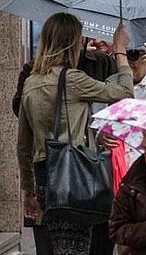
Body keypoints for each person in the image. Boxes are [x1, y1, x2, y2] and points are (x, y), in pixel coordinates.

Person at [17, 13, 133, 255]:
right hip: (73, 174)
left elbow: (23, 146)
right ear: (73, 43)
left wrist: (28, 190)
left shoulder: (31, 82)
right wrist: (120, 51)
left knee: (49, 248)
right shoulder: (73, 79)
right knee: (75, 247)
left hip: (42, 176)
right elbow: (124, 92)